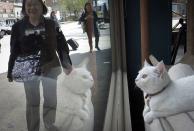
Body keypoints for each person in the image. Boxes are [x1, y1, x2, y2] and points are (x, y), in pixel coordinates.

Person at [7, 0, 72, 131]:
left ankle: (49, 124)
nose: (32, 7)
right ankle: (33, 128)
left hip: (51, 67)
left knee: (51, 99)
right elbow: (14, 50)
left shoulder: (51, 24)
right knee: (32, 102)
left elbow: (61, 44)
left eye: (35, 4)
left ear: (42, 6)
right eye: (28, 4)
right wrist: (10, 70)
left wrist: (67, 64)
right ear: (25, 8)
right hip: (29, 71)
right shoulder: (18, 27)